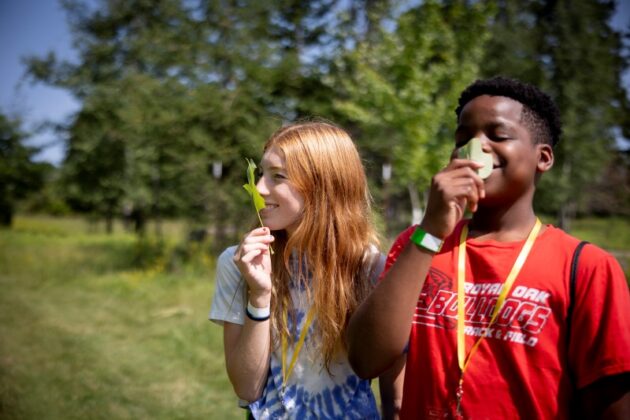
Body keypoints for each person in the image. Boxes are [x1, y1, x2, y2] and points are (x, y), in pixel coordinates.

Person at [347, 76, 630, 419]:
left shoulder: (586, 266)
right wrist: (431, 231)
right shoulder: (418, 244)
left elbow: (612, 405)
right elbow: (366, 359)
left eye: (498, 135)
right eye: (463, 138)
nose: (475, 148)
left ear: (543, 158)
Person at [209, 121, 387, 419]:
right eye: (261, 173)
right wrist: (260, 296)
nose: (259, 187)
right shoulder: (238, 262)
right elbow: (246, 388)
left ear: (324, 186)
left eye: (277, 176)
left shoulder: (369, 267)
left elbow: (395, 377)